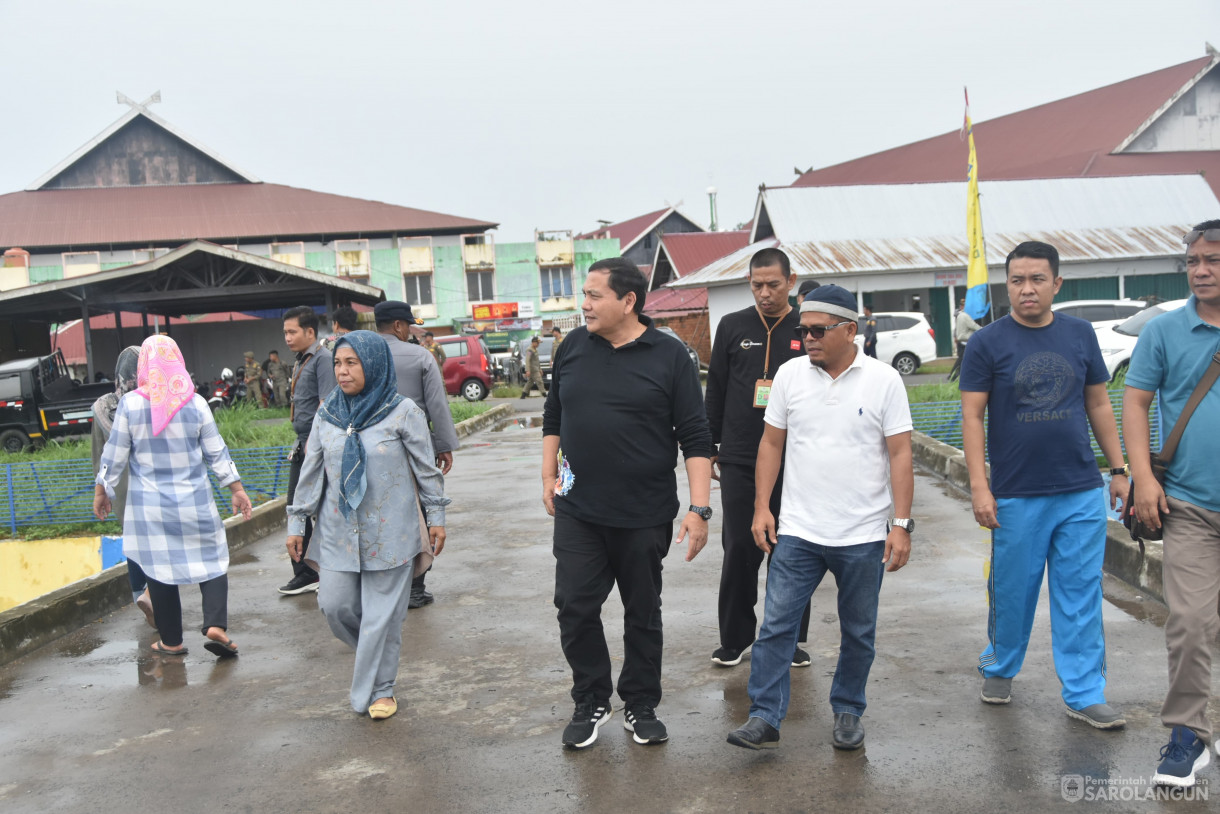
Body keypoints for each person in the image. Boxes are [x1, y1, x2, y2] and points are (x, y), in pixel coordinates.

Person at [726, 284, 913, 752]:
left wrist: (901, 524)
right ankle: (765, 717)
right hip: (798, 531)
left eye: (817, 330)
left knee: (858, 631)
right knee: (775, 628)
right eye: (803, 329)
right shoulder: (790, 376)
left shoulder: (884, 380)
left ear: (850, 330)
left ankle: (848, 710)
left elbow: (900, 454)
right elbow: (771, 444)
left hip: (863, 534)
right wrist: (762, 506)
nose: (807, 338)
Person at [542, 256, 712, 749]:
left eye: (595, 295)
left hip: (644, 511)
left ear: (628, 301)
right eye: (585, 295)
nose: (585, 304)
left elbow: (695, 437)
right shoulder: (572, 346)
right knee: (574, 605)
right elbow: (554, 414)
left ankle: (640, 703)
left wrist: (699, 510)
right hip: (578, 507)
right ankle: (591, 698)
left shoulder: (670, 355)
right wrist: (547, 474)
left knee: (642, 610)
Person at [959, 240, 1127, 729]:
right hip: (1015, 493)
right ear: (1006, 284)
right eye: (1016, 280)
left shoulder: (1079, 335)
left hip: (1079, 488)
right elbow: (972, 416)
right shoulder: (987, 343)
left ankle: (1083, 692)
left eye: (1036, 279)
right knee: (1013, 593)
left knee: (1080, 595)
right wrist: (979, 485)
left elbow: (1098, 404)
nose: (1026, 289)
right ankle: (1001, 663)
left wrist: (1118, 471)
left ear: (1056, 283)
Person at [287, 330, 449, 719]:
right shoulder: (327, 414)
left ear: (373, 364)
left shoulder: (403, 411)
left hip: (391, 531)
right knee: (334, 605)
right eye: (338, 363)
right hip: (338, 531)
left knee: (382, 617)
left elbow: (427, 472)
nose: (342, 372)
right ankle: (375, 659)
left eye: (351, 363)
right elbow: (311, 473)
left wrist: (436, 517)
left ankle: (380, 690)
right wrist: (297, 521)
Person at [1123, 220, 1220, 788]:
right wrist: (1143, 479)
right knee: (1188, 621)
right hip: (1188, 505)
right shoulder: (1164, 332)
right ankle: (1187, 732)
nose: (1202, 270)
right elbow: (1135, 405)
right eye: (1193, 262)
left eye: (1213, 260)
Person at [93, 335, 253, 658]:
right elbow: (216, 451)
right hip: (195, 502)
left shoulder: (131, 404)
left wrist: (103, 490)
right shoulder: (196, 403)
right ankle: (215, 623)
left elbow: (115, 453)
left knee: (159, 569)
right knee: (212, 558)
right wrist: (236, 488)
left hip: (150, 508)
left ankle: (172, 640)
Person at [704, 248, 812, 668]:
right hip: (739, 456)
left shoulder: (807, 327)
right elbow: (716, 389)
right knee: (739, 547)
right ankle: (734, 638)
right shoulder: (732, 327)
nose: (765, 293)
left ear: (792, 281)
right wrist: (711, 447)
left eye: (773, 284)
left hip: (796, 457)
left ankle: (790, 638)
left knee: (792, 549)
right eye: (756, 285)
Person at [376, 300, 458, 609]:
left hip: (370, 449)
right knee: (419, 512)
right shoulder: (420, 356)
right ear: (398, 326)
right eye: (409, 325)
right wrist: (443, 444)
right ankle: (414, 587)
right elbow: (437, 404)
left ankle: (383, 585)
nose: (411, 330)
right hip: (413, 448)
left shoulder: (358, 355)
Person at [91, 346, 154, 627]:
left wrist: (101, 493)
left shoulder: (103, 406)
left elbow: (100, 455)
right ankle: (156, 594)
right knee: (160, 541)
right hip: (156, 485)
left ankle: (142, 592)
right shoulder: (156, 398)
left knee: (133, 543)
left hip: (123, 489)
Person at [278, 306, 337, 596]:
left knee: (307, 506)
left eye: (293, 332)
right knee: (298, 506)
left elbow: (325, 405)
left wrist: (315, 447)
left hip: (317, 445)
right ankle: (308, 571)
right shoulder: (303, 360)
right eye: (285, 332)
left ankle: (312, 571)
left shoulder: (323, 360)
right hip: (302, 443)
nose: (287, 338)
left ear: (310, 332)